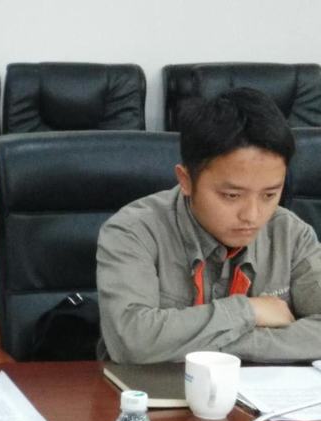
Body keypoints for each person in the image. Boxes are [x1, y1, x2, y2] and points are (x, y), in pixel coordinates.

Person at [97, 87, 321, 364]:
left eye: (269, 195)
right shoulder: (133, 230)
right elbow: (132, 340)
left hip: (263, 390)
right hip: (155, 390)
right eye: (232, 196)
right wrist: (248, 311)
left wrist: (227, 341)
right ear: (186, 180)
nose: (252, 215)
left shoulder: (292, 234)